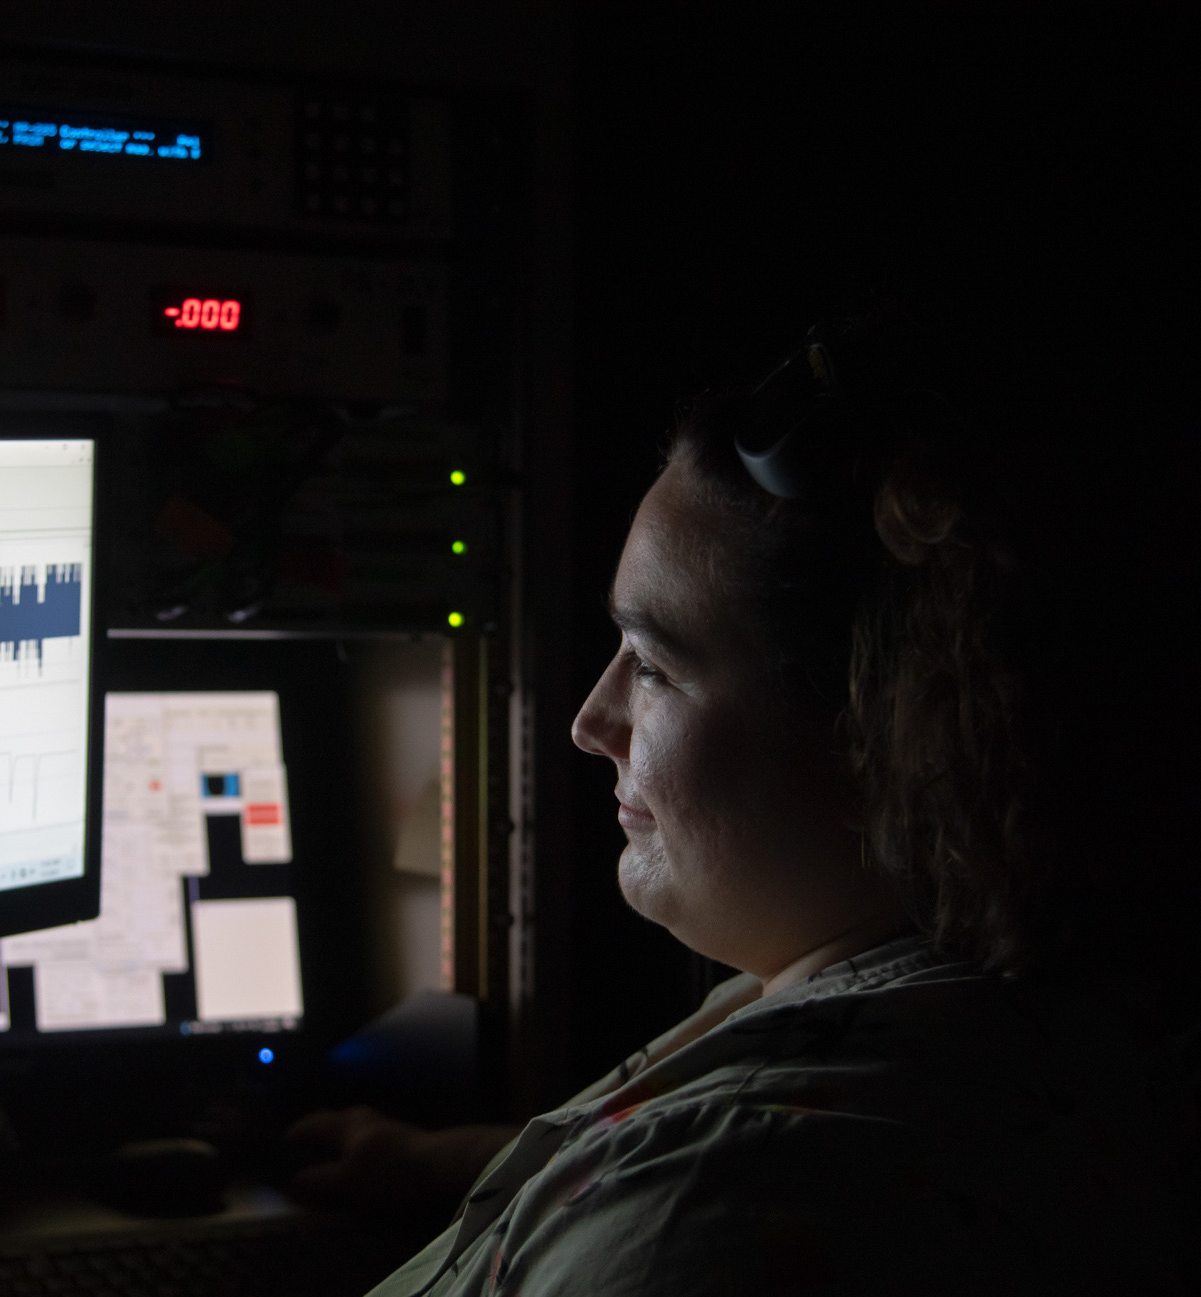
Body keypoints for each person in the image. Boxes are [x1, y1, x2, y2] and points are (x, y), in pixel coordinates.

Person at [290, 317, 1197, 1294]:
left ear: (886, 739)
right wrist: (434, 1164)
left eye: (650, 665)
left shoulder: (708, 1207)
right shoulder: (1036, 1011)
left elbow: (707, 1192)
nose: (591, 722)